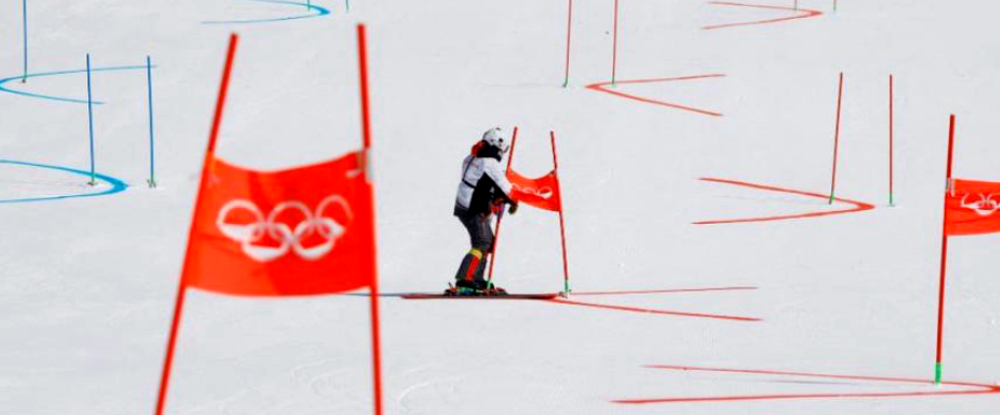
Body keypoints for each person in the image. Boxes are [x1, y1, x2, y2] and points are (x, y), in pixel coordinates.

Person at [452, 127, 519, 294]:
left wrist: (498, 196)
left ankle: (476, 278)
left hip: (467, 204)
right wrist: (513, 199)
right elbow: (505, 186)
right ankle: (465, 279)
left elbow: (484, 181)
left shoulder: (472, 157)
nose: (502, 153)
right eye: (503, 149)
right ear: (497, 145)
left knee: (488, 242)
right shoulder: (489, 162)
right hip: (472, 208)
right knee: (482, 242)